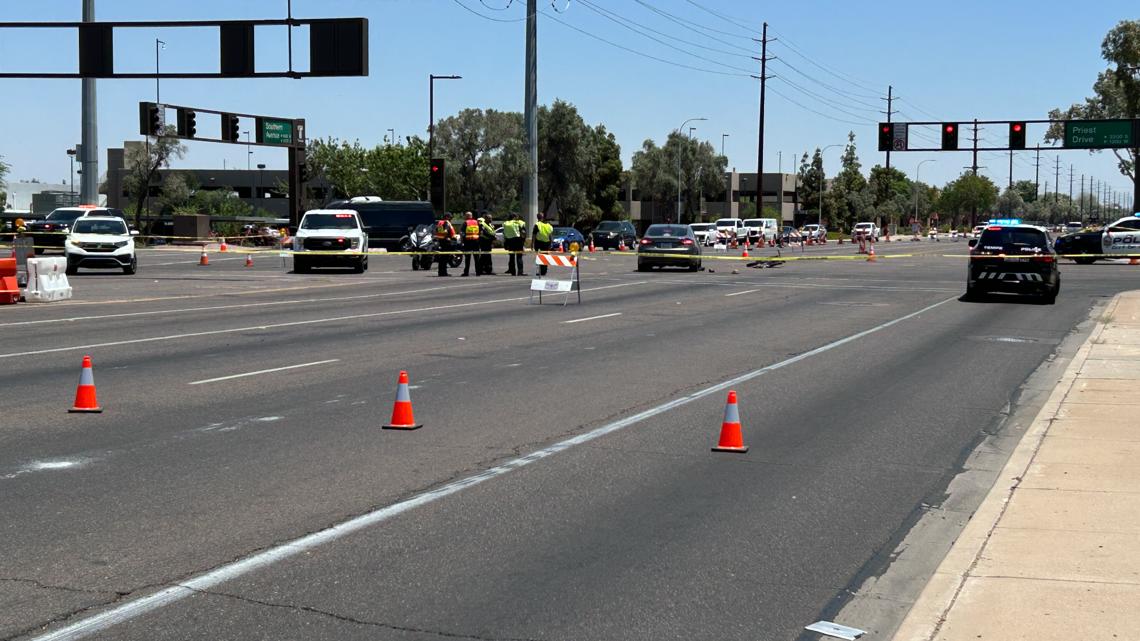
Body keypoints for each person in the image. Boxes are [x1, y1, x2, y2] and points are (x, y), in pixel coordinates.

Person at [433, 211, 457, 276]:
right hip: (446, 242)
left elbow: (436, 231)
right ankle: (444, 273)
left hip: (441, 241)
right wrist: (447, 237)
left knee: (442, 258)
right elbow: (446, 231)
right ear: (447, 217)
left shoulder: (440, 223)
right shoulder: (446, 222)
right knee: (445, 258)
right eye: (450, 217)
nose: (451, 219)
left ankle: (441, 272)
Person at [462, 211, 480, 276]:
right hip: (476, 241)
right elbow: (480, 232)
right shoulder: (476, 222)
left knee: (467, 258)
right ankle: (478, 272)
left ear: (466, 216)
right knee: (477, 258)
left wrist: (462, 241)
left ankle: (466, 272)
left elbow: (462, 233)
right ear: (471, 216)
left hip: (468, 242)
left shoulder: (465, 223)